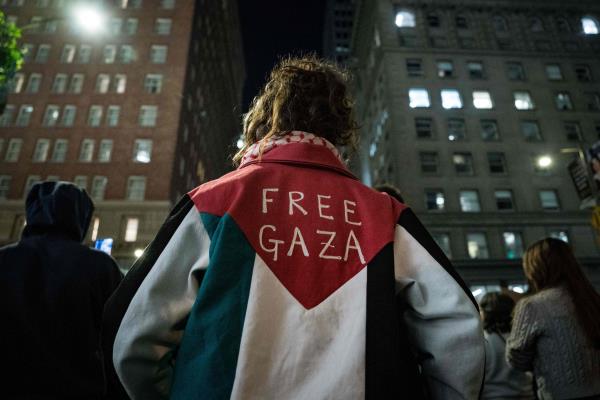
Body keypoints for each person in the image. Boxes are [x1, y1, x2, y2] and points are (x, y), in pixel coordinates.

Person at [102, 55, 484, 400]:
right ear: (341, 126)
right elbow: (458, 331)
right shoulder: (385, 215)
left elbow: (133, 334)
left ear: (268, 116)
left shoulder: (214, 203)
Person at [0, 181, 123, 398]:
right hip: (78, 388)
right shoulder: (100, 266)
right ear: (81, 216)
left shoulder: (5, 258)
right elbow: (121, 335)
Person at [506, 238, 600, 400]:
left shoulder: (532, 306)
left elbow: (516, 358)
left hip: (557, 393)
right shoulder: (591, 299)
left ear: (535, 269)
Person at [480, 292, 534, 399]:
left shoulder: (482, 341)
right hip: (526, 396)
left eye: (481, 311)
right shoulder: (523, 336)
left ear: (486, 313)